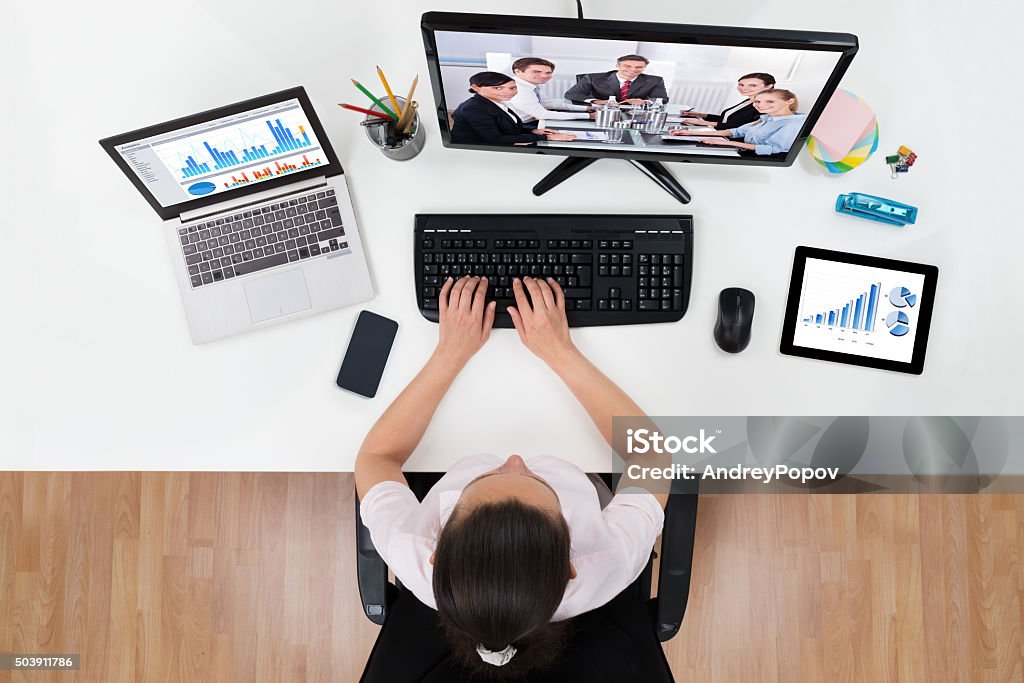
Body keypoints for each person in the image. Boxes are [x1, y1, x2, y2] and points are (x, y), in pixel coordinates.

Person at [355, 275, 668, 679]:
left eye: (486, 478)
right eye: (542, 486)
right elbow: (652, 454)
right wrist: (560, 352)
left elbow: (376, 457)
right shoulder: (607, 558)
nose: (516, 458)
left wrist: (450, 353)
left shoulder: (411, 549)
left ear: (437, 553)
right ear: (571, 562)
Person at [450, 72, 577, 146]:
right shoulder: (474, 109)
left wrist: (533, 131)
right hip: (478, 151)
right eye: (498, 88)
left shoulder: (498, 102)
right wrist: (546, 138)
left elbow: (506, 126)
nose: (509, 92)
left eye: (512, 88)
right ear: (476, 87)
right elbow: (496, 139)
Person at [669, 88, 805, 155]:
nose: (761, 105)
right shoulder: (767, 117)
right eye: (757, 101)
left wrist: (725, 143)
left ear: (789, 102)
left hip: (758, 160)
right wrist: (691, 133)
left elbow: (773, 149)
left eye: (770, 101)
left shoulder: (793, 124)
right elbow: (737, 131)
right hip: (742, 150)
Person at [508, 57, 594, 126]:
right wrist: (589, 116)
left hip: (534, 120)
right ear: (518, 71)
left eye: (548, 72)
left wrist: (588, 108)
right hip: (522, 126)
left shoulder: (530, 86)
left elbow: (549, 104)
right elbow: (542, 114)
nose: (544, 76)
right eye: (537, 71)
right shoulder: (517, 89)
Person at [679, 72, 776, 129]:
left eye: (752, 85)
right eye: (741, 85)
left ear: (768, 86)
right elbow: (725, 119)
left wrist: (705, 123)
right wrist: (699, 115)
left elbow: (738, 127)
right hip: (720, 133)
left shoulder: (764, 106)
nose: (744, 88)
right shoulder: (748, 101)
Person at [564, 54, 669, 105]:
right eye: (628, 66)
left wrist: (645, 102)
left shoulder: (655, 80)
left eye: (639, 67)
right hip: (601, 113)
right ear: (617, 66)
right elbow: (571, 94)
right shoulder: (593, 78)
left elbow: (662, 99)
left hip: (634, 116)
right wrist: (598, 101)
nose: (633, 70)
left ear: (644, 68)